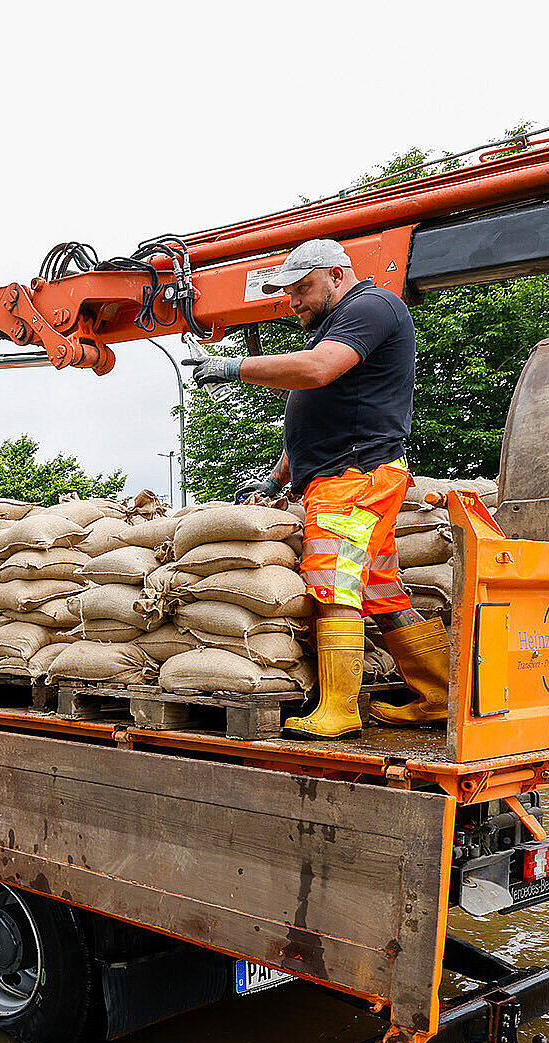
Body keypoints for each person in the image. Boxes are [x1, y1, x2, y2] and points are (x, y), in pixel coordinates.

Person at [185, 237, 449, 739]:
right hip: (349, 474)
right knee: (381, 591)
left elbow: (317, 372)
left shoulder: (370, 306)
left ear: (336, 273)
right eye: (288, 294)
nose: (294, 301)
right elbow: (316, 414)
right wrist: (278, 477)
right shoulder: (339, 323)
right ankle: (437, 694)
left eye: (303, 288)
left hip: (354, 479)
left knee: (333, 584)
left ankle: (339, 710)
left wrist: (232, 367)